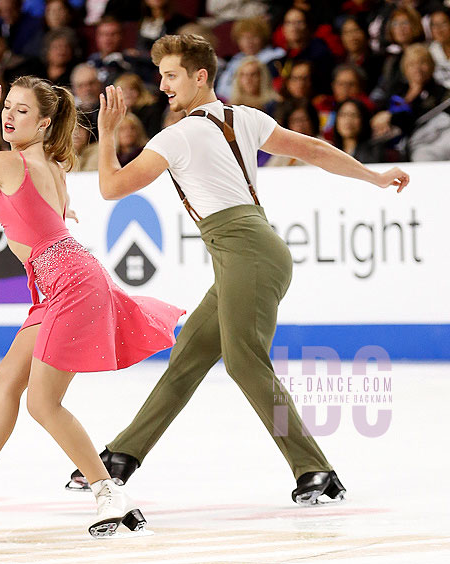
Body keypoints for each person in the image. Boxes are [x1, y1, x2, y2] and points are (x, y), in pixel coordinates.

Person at [65, 34, 410, 504]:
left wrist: (108, 134)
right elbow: (315, 149)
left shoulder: (177, 135)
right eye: (161, 75)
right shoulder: (243, 118)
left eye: (171, 76)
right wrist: (372, 176)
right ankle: (122, 456)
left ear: (200, 76)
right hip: (246, 253)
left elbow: (110, 187)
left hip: (246, 252)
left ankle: (315, 469)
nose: (163, 86)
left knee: (245, 362)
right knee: (187, 358)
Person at [0, 76, 184, 537]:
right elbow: (47, 220)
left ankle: (107, 491)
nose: (8, 117)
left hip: (69, 284)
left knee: (43, 402)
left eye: (21, 111)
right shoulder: (53, 169)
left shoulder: (6, 162)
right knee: (6, 384)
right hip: (59, 282)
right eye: (7, 109)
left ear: (42, 124)